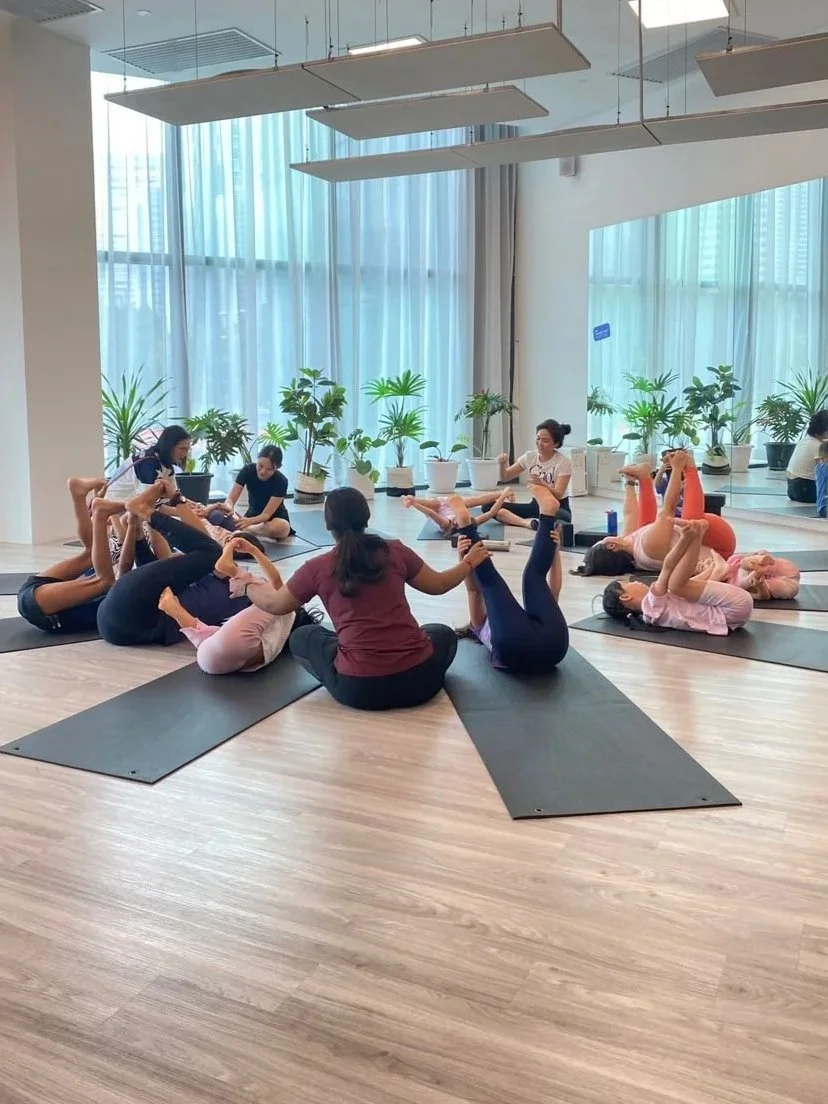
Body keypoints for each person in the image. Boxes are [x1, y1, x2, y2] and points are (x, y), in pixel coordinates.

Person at [240, 487, 490, 711]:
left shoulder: (316, 568)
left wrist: (245, 584)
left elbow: (275, 605)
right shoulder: (394, 550)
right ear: (366, 518)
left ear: (328, 525)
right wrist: (468, 562)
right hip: (421, 683)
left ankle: (350, 655)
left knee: (301, 637)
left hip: (359, 691)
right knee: (442, 633)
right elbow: (439, 585)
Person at [96, 485, 251, 647]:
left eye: (233, 543)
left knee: (212, 551)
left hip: (123, 615)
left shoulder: (236, 578)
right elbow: (153, 574)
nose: (227, 542)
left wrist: (173, 498)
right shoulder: (228, 588)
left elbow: (206, 542)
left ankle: (143, 512)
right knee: (169, 565)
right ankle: (140, 523)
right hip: (117, 628)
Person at [157, 537, 318, 674]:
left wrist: (254, 551)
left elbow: (276, 582)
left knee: (275, 597)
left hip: (222, 648)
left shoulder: (288, 614)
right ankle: (175, 610)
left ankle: (233, 571)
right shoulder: (276, 645)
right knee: (216, 636)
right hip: (209, 661)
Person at [453, 485, 569, 673]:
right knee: (502, 582)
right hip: (526, 646)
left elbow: (473, 590)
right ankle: (466, 526)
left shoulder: (480, 627)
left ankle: (547, 514)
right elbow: (474, 590)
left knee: (528, 578)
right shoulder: (481, 627)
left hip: (556, 647)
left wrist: (464, 559)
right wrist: (554, 553)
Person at [580, 450, 736, 576]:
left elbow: (629, 514)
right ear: (611, 545)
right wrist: (678, 468)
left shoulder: (629, 545)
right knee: (688, 524)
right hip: (719, 543)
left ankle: (643, 476)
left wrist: (629, 481)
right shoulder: (649, 548)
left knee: (645, 525)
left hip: (705, 534)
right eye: (603, 541)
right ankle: (690, 466)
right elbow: (668, 508)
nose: (605, 537)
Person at [17, 477, 131, 634]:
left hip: (41, 603)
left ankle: (82, 499)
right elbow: (120, 569)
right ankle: (93, 507)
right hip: (42, 605)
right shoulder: (130, 588)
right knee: (103, 579)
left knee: (94, 562)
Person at [601, 519, 753, 635]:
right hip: (731, 609)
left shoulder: (657, 609)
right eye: (628, 584)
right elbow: (668, 566)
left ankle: (716, 566)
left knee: (680, 586)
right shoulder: (651, 606)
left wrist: (711, 569)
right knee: (675, 584)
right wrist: (685, 538)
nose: (634, 582)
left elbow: (695, 583)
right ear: (625, 597)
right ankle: (697, 536)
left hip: (734, 614)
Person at [489, 419, 574, 526]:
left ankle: (535, 520)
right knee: (488, 506)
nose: (540, 444)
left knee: (562, 518)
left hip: (557, 507)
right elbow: (505, 477)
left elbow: (558, 494)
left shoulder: (563, 462)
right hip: (535, 506)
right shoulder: (530, 457)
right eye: (538, 439)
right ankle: (528, 523)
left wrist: (542, 483)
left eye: (545, 441)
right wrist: (502, 464)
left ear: (556, 444)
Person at [208, 445, 292, 541]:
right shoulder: (247, 470)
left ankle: (248, 530)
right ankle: (245, 528)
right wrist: (229, 507)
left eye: (269, 469)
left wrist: (249, 522)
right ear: (257, 459)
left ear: (278, 467)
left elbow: (266, 515)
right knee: (220, 513)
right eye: (260, 466)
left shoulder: (281, 481)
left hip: (274, 518)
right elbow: (231, 499)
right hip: (252, 515)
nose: (263, 472)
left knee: (283, 528)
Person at [106, 425, 192, 501]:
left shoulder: (165, 464)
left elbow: (174, 495)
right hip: (116, 510)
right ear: (169, 446)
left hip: (132, 509)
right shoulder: (148, 463)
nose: (185, 454)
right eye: (182, 449)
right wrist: (187, 510)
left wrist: (193, 505)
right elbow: (149, 505)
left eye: (187, 450)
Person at [401, 487, 518, 535]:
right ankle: (503, 492)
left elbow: (430, 513)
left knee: (436, 505)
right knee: (476, 501)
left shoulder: (446, 524)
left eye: (457, 524)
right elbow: (491, 513)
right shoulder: (472, 523)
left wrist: (415, 504)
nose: (456, 523)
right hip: (453, 507)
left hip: (438, 509)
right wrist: (502, 497)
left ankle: (409, 499)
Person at [787, 410, 828, 503]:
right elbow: (824, 470)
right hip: (805, 490)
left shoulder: (806, 440)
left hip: (792, 489)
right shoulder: (818, 445)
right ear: (820, 433)